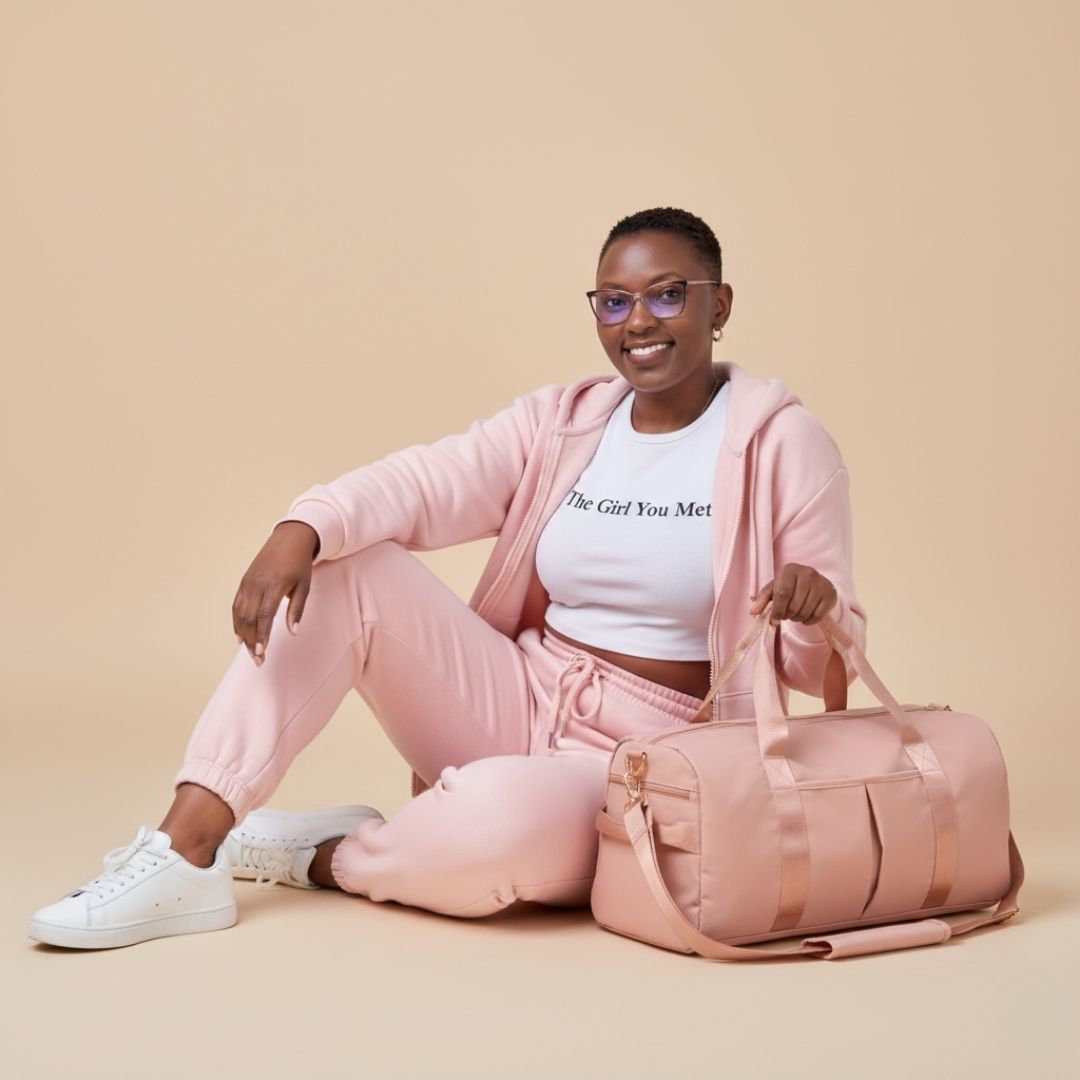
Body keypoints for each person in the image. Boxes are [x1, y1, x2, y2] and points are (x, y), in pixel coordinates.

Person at [28, 206, 867, 949]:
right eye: (614, 301)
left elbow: (824, 668)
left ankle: (320, 854)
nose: (638, 322)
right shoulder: (567, 422)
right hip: (518, 696)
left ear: (720, 305)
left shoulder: (782, 444)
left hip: (654, 763)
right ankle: (186, 851)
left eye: (667, 295)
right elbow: (428, 480)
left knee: (494, 827)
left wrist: (815, 610)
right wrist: (304, 526)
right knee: (347, 568)